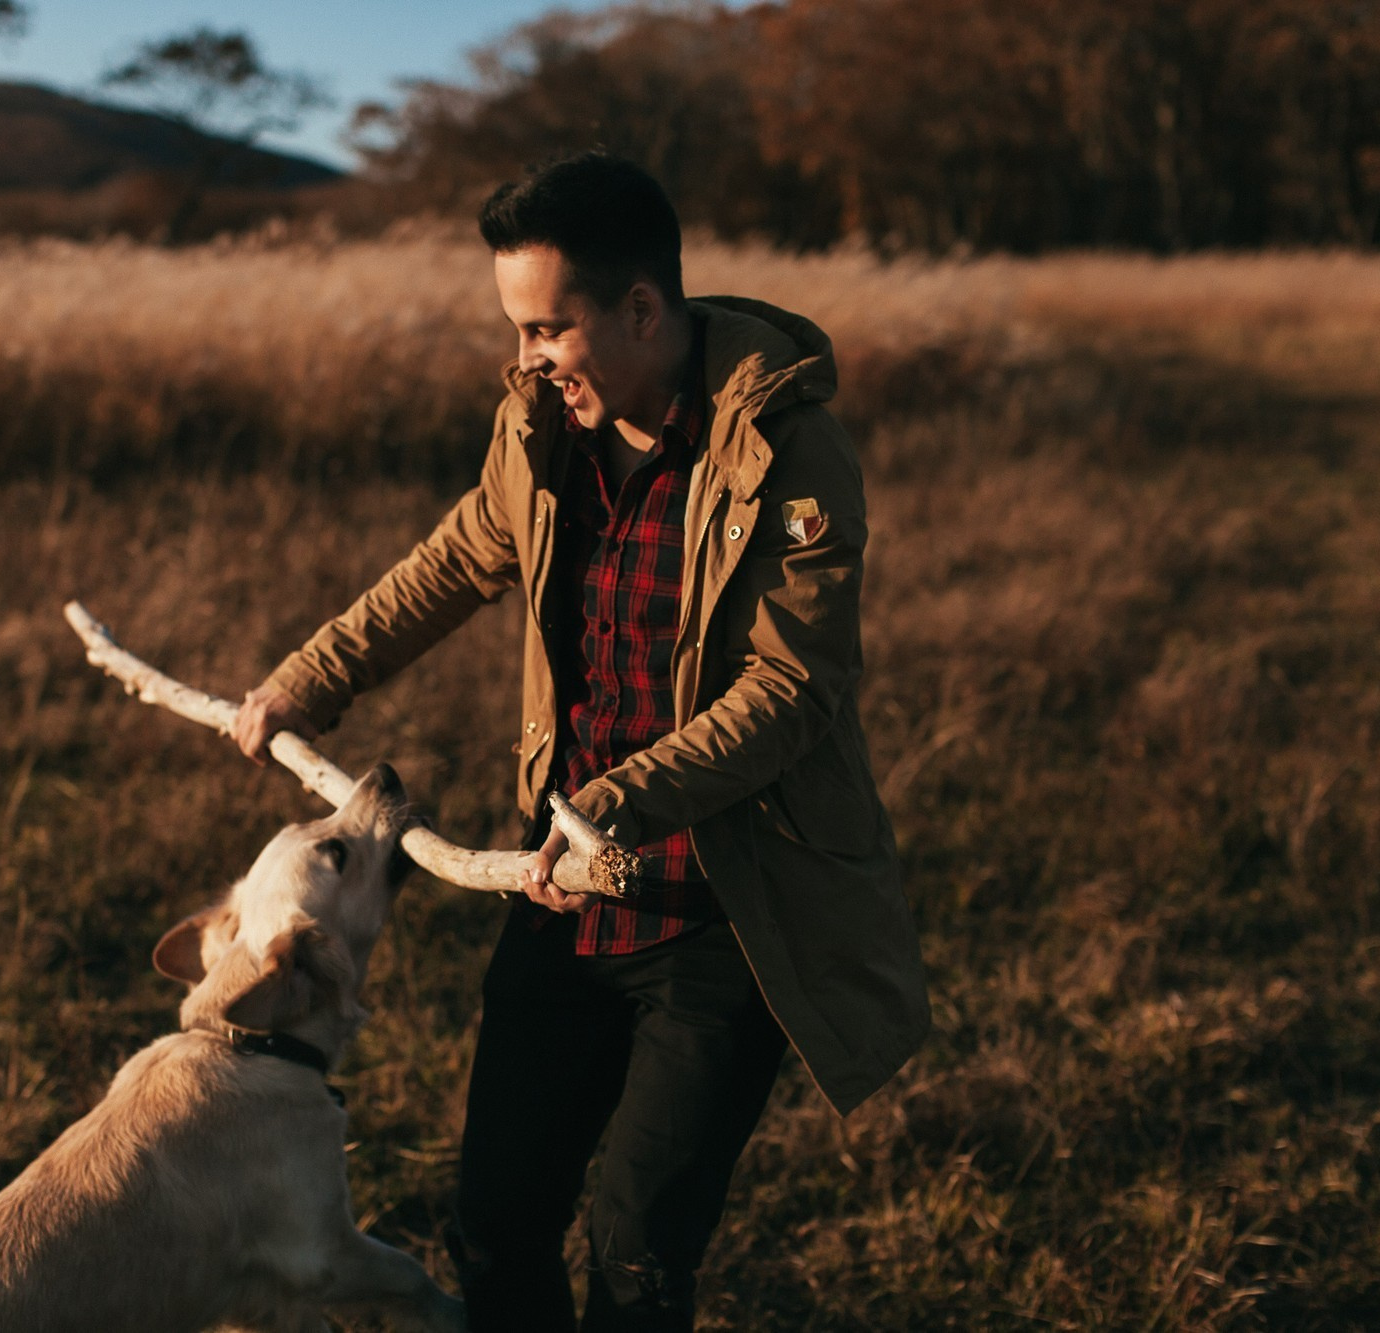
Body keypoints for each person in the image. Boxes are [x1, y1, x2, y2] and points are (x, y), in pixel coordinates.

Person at [231, 153, 929, 1333]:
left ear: (642, 311)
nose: (526, 357)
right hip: (562, 897)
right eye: (516, 328)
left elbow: (793, 685)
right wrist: (307, 679)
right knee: (494, 1227)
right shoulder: (541, 427)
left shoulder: (784, 452)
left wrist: (617, 799)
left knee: (637, 1249)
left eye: (548, 327)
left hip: (725, 912)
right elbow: (453, 561)